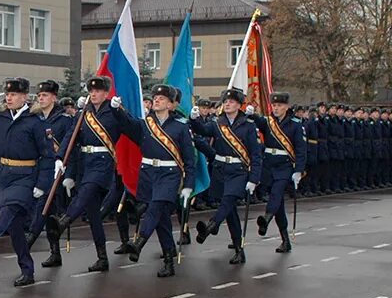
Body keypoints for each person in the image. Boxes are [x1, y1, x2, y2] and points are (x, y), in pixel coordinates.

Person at [0, 78, 54, 287]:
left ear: (24, 97)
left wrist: (42, 184)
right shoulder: (1, 117)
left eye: (13, 94)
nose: (9, 98)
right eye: (7, 94)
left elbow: (47, 155)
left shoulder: (35, 121)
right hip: (4, 173)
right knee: (15, 229)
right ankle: (27, 270)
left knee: (8, 210)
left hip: (26, 174)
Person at [46, 76, 126, 273]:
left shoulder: (113, 112)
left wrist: (120, 111)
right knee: (93, 214)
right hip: (85, 164)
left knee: (87, 191)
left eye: (98, 91)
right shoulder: (84, 113)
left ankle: (64, 221)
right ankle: (102, 258)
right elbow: (70, 138)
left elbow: (130, 127)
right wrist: (60, 158)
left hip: (104, 164)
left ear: (106, 93)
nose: (94, 94)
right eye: (91, 91)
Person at [125, 84, 195, 277]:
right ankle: (169, 260)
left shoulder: (180, 127)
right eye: (155, 97)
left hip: (169, 174)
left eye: (162, 98)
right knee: (161, 220)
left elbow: (189, 159)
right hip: (148, 173)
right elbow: (126, 124)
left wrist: (188, 184)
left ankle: (139, 242)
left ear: (171, 105)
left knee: (155, 207)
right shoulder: (145, 123)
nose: (156, 100)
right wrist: (116, 109)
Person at [189, 87, 262, 264]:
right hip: (221, 169)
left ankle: (210, 227)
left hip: (238, 171)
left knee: (228, 200)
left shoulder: (248, 125)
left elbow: (256, 154)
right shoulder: (217, 122)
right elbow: (203, 130)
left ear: (239, 105)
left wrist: (254, 178)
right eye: (226, 102)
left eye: (231, 102)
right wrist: (194, 119)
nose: (227, 104)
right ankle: (239, 249)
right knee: (230, 213)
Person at [248, 93, 307, 252]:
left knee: (276, 193)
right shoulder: (268, 121)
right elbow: (259, 122)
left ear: (286, 107)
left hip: (285, 166)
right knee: (278, 205)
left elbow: (301, 150)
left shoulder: (295, 124)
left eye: (280, 105)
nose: (276, 108)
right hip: (269, 165)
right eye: (274, 105)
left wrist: (298, 171)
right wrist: (251, 114)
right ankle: (285, 240)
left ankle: (266, 219)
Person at [27, 80, 74, 267]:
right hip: (39, 169)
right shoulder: (36, 119)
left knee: (42, 209)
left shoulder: (64, 120)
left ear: (54, 98)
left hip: (55, 171)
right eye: (39, 96)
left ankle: (26, 244)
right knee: (50, 213)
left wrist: (70, 174)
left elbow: (70, 148)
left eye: (45, 95)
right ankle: (55, 253)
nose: (41, 98)